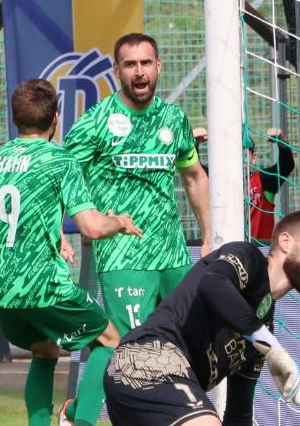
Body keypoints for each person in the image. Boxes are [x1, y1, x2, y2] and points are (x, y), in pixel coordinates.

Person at [0, 79, 142, 426]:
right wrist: (118, 221)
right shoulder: (59, 160)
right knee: (109, 340)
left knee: (44, 350)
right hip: (42, 284)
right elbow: (90, 226)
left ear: (14, 120)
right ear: (56, 118)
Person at [103, 211, 300, 426]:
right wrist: (269, 344)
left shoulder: (263, 326)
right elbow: (212, 283)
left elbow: (239, 415)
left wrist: (266, 342)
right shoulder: (248, 258)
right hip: (143, 361)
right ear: (286, 242)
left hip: (155, 390)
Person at [62, 32, 210, 338]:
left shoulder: (174, 119)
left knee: (187, 345)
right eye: (130, 64)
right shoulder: (94, 121)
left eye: (145, 62)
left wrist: (209, 235)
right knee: (133, 350)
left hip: (173, 255)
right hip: (122, 256)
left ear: (159, 66)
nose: (139, 71)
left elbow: (194, 176)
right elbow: (60, 177)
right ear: (117, 71)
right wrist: (58, 232)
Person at [193, 126, 295, 240]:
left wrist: (281, 142)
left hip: (258, 250)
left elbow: (286, 166)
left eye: (243, 153)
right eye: (232, 154)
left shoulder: (263, 179)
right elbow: (195, 171)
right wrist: (193, 145)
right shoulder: (216, 181)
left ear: (253, 158)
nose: (238, 158)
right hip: (224, 247)